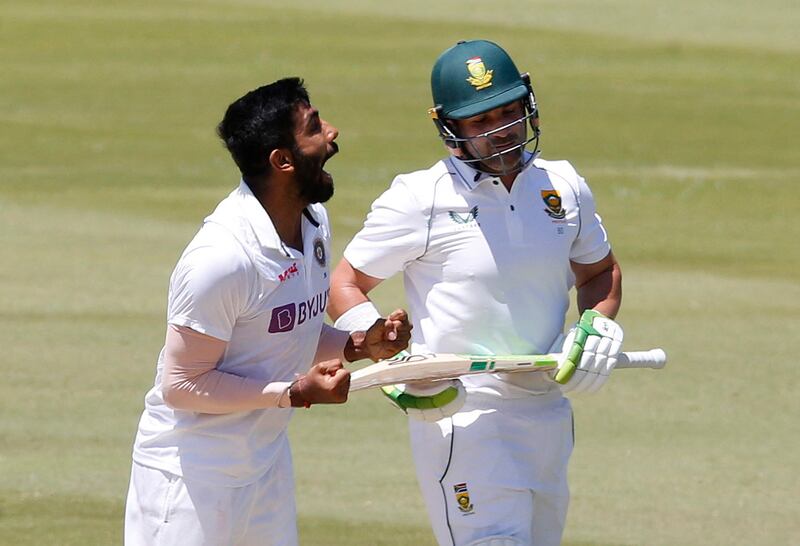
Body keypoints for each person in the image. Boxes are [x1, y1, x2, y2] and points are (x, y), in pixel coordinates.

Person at [328, 40, 624, 546]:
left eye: (509, 112)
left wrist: (594, 324)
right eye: (481, 120)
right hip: (462, 413)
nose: (502, 129)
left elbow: (599, 272)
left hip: (548, 408)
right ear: (450, 127)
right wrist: (379, 345)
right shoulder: (420, 198)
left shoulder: (563, 185)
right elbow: (345, 283)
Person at [124, 78, 411, 546]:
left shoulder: (312, 222)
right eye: (315, 126)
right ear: (282, 160)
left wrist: (358, 344)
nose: (332, 133)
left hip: (265, 461)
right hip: (191, 477)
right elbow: (181, 384)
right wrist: (295, 391)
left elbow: (288, 325)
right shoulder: (222, 259)